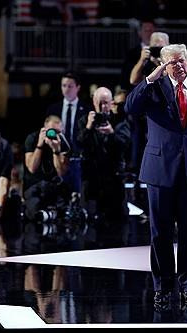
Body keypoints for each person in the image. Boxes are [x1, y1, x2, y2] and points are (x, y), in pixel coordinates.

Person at [125, 44, 187, 308]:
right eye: (172, 62)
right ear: (163, 65)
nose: (178, 66)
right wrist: (150, 78)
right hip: (161, 171)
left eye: (181, 61)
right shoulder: (154, 89)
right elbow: (130, 108)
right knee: (161, 233)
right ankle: (163, 287)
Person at [77, 87, 131, 247]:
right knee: (90, 225)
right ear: (93, 102)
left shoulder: (120, 121)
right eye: (99, 103)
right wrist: (88, 127)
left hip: (113, 180)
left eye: (106, 103)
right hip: (92, 180)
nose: (102, 107)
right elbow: (80, 143)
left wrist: (112, 133)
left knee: (117, 225)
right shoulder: (84, 120)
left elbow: (125, 145)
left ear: (111, 103)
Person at [128, 32, 170, 177]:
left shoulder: (170, 63)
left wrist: (161, 63)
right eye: (155, 46)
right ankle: (137, 173)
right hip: (146, 110)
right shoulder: (145, 63)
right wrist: (142, 60)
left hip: (165, 109)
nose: (157, 49)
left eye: (161, 46)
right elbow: (133, 80)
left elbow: (171, 81)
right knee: (139, 142)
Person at [46, 72, 89, 193]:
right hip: (58, 157)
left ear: (78, 87)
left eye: (70, 86)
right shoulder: (53, 109)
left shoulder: (86, 109)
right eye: (63, 85)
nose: (66, 89)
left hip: (79, 160)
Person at [23, 115, 70, 221]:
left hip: (54, 187)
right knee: (35, 214)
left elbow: (61, 172)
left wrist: (56, 151)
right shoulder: (33, 138)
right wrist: (39, 145)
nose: (53, 135)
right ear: (44, 129)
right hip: (34, 186)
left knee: (65, 216)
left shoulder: (63, 142)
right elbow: (32, 168)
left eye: (57, 132)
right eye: (51, 131)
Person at [120, 20, 155, 92]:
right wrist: (141, 60)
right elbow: (127, 75)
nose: (149, 34)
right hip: (136, 90)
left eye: (151, 31)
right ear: (139, 33)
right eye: (146, 31)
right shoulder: (131, 53)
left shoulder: (162, 51)